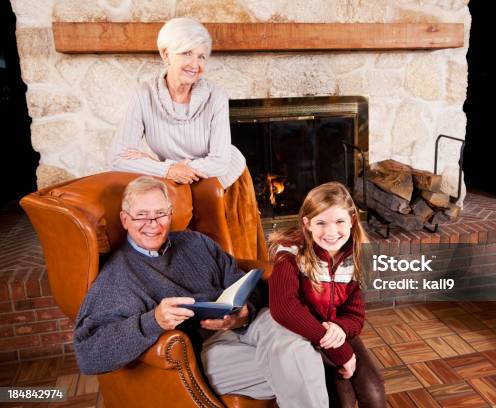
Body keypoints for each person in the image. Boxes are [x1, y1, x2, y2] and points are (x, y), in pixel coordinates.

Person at [73, 176, 328, 407]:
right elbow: (88, 354)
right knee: (303, 358)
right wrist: (153, 321)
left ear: (171, 214)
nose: (152, 223)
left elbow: (239, 280)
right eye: (142, 215)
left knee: (290, 336)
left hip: (243, 326)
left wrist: (245, 312)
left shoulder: (195, 242)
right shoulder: (117, 277)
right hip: (203, 349)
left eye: (160, 213)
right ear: (124, 219)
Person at [108, 17, 265, 260]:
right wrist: (168, 169)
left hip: (224, 181)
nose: (195, 64)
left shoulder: (216, 97)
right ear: (166, 54)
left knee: (232, 251)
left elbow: (219, 162)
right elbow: (117, 159)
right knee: (189, 254)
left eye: (202, 56)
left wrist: (173, 167)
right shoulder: (143, 95)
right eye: (187, 53)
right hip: (178, 183)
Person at [268, 182, 385, 408]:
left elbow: (355, 314)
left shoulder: (358, 255)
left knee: (374, 392)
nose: (331, 232)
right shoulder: (290, 254)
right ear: (307, 223)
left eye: (340, 221)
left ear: (351, 220)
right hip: (303, 335)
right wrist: (338, 349)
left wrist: (340, 329)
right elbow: (283, 308)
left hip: (336, 332)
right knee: (343, 400)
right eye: (321, 223)